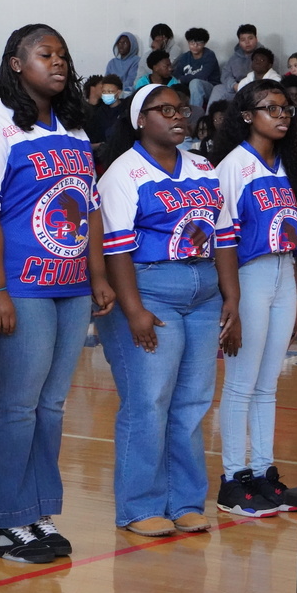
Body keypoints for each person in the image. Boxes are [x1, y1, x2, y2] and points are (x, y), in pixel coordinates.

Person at [0, 23, 115, 563]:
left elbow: (89, 205)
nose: (58, 63)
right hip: (20, 286)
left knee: (49, 406)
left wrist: (97, 275)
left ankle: (35, 511)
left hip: (69, 286)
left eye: (63, 55)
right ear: (14, 64)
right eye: (45, 54)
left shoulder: (72, 127)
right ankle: (4, 523)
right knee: (14, 407)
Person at [96, 84, 241, 537]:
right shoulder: (123, 172)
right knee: (149, 401)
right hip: (150, 288)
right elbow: (114, 247)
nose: (178, 117)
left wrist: (231, 295)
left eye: (182, 109)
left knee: (193, 402)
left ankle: (186, 502)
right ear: (141, 120)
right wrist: (133, 308)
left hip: (204, 292)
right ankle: (140, 507)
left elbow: (224, 236)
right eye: (165, 110)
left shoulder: (201, 165)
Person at [210, 81, 297, 517]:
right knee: (241, 382)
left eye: (287, 108)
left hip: (285, 272)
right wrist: (228, 296)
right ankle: (233, 478)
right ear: (247, 115)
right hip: (248, 274)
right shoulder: (233, 165)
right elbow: (218, 233)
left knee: (269, 385)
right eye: (271, 108)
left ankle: (263, 472)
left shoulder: (289, 165)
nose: (282, 115)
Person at [209, 24, 261, 108]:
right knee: (218, 89)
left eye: (250, 38)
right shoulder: (234, 58)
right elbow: (225, 75)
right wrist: (234, 85)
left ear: (256, 39)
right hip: (235, 89)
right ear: (239, 42)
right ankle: (209, 119)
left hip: (254, 90)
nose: (247, 42)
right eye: (243, 40)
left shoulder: (264, 56)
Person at [173, 27, 221, 108]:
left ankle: (195, 113)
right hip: (189, 89)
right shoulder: (185, 57)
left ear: (205, 43)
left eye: (199, 43)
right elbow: (177, 76)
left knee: (195, 83)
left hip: (210, 89)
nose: (195, 46)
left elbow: (202, 76)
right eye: (192, 43)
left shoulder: (209, 55)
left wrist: (183, 79)